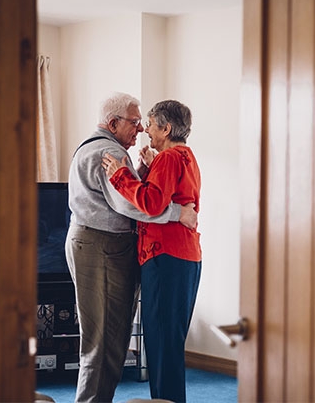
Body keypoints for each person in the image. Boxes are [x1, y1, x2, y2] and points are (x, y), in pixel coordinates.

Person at [65, 92, 197, 403]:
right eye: (136, 122)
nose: (140, 130)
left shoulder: (97, 146)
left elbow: (140, 194)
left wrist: (140, 172)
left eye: (145, 123)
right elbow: (136, 204)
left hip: (101, 245)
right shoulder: (108, 154)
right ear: (112, 123)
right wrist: (180, 214)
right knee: (103, 342)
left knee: (111, 339)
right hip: (102, 248)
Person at [102, 99, 201, 403]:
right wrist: (148, 166)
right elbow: (164, 195)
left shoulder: (170, 159)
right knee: (169, 343)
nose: (145, 129)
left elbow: (151, 203)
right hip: (184, 258)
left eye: (151, 124)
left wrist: (120, 174)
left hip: (164, 257)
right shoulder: (184, 156)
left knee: (160, 345)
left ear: (167, 128)